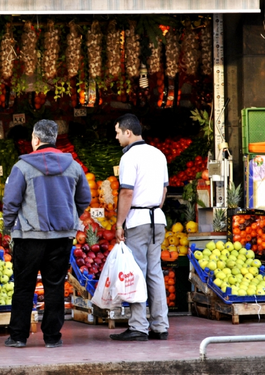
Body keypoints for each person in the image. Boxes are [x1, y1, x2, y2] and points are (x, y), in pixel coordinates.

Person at [2, 119, 91, 349]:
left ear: (36, 139)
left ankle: (18, 337)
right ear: (54, 139)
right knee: (55, 286)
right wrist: (70, 217)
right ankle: (52, 337)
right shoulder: (73, 166)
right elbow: (84, 199)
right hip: (61, 238)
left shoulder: (22, 167)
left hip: (29, 237)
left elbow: (10, 202)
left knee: (24, 287)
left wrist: (8, 225)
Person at [110, 113, 169, 341]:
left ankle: (138, 326)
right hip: (158, 218)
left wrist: (119, 223)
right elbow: (163, 191)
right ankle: (160, 325)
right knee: (154, 272)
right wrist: (153, 208)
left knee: (137, 273)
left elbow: (126, 192)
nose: (116, 137)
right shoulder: (158, 154)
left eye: (117, 132)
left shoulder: (129, 157)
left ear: (128, 132)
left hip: (138, 220)